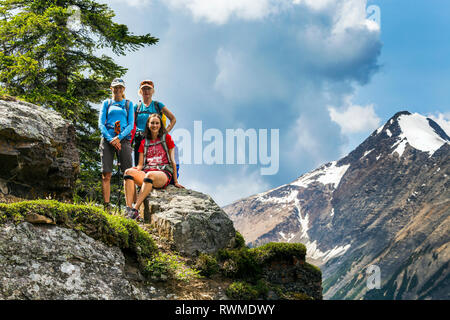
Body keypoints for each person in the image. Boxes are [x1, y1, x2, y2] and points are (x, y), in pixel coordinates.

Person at [123, 113, 183, 220]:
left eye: (157, 123)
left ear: (160, 125)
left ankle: (135, 210)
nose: (154, 125)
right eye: (152, 123)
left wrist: (176, 181)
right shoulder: (143, 142)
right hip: (146, 173)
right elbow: (140, 165)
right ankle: (129, 209)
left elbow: (173, 161)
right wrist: (134, 170)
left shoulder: (167, 138)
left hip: (163, 173)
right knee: (128, 172)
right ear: (148, 125)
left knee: (150, 175)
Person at [98, 78, 134, 211]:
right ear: (111, 88)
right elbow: (101, 124)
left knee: (128, 173)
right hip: (107, 140)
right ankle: (106, 205)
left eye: (120, 87)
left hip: (123, 140)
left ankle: (129, 207)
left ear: (123, 89)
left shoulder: (128, 104)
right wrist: (111, 139)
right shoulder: (106, 103)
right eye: (115, 87)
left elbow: (130, 125)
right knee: (106, 173)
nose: (118, 89)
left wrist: (118, 138)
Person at [132, 80, 176, 166]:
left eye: (149, 89)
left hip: (154, 140)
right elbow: (131, 124)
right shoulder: (136, 107)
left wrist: (164, 133)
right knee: (139, 167)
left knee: (153, 166)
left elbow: (173, 119)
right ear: (140, 91)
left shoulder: (158, 105)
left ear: (152, 91)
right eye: (144, 89)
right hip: (139, 139)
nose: (146, 91)